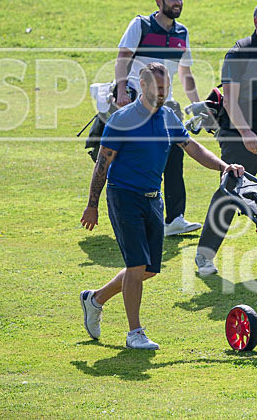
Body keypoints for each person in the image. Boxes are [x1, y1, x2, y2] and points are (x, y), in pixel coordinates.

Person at [80, 63, 244, 349]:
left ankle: (95, 299)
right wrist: (91, 205)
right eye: (157, 88)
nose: (162, 93)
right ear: (142, 87)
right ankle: (135, 333)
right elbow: (102, 164)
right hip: (124, 197)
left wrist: (222, 166)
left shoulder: (168, 116)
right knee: (135, 265)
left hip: (153, 199)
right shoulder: (122, 119)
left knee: (148, 270)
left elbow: (192, 147)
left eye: (166, 88)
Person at [194, 0, 257, 276]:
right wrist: (245, 132)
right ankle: (205, 256)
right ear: (256, 22)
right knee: (229, 195)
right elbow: (230, 100)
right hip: (240, 140)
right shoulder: (238, 53)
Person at [114, 0, 202, 236]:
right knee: (140, 158)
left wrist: (197, 105)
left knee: (175, 155)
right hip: (137, 101)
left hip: (166, 104)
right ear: (159, 1)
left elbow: (186, 74)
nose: (178, 3)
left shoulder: (181, 33)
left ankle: (174, 218)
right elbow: (123, 58)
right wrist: (121, 90)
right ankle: (134, 215)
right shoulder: (140, 24)